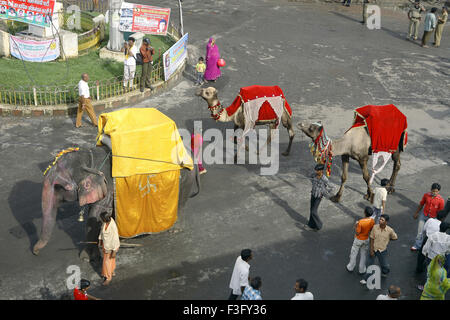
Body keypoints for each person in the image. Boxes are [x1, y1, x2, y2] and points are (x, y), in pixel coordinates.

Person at [360, 214, 398, 284]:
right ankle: (365, 279)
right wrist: (371, 250)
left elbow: (395, 237)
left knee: (384, 265)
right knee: (370, 265)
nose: (380, 221)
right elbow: (371, 238)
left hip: (382, 250)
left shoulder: (390, 230)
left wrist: (387, 240)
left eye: (382, 220)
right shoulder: (375, 227)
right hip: (374, 249)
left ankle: (385, 272)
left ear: (386, 222)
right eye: (380, 219)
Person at [411, 183, 445, 251]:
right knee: (420, 231)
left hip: (433, 218)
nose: (434, 193)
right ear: (431, 190)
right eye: (433, 191)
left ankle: (429, 247)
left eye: (436, 191)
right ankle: (417, 245)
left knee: (431, 234)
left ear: (438, 191)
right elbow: (421, 204)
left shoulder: (441, 200)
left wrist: (440, 222)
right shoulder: (426, 195)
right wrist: (416, 213)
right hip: (424, 216)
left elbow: (441, 212)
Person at [303, 164, 333, 232]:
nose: (316, 171)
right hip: (313, 194)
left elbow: (332, 187)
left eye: (317, 170)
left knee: (314, 211)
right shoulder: (313, 175)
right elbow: (309, 176)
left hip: (319, 196)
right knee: (311, 210)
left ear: (321, 171)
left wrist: (324, 191)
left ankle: (319, 225)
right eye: (316, 170)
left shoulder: (324, 178)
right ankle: (311, 225)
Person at [346, 206, 375, 274]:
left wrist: (356, 225)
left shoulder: (360, 222)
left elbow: (357, 232)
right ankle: (362, 269)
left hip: (358, 239)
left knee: (354, 253)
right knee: (363, 255)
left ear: (365, 213)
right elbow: (371, 229)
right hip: (366, 239)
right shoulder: (372, 221)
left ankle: (351, 267)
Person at [98, 212, 120, 286]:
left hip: (111, 247)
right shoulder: (105, 223)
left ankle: (108, 277)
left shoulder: (113, 226)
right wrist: (100, 240)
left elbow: (115, 239)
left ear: (105, 219)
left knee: (107, 262)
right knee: (111, 260)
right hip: (106, 245)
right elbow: (102, 232)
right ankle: (112, 271)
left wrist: (114, 251)